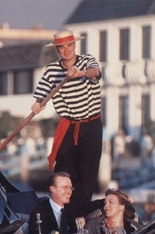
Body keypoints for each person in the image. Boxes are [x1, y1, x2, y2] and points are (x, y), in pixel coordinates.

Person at [31, 30, 103, 220]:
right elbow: (42, 94)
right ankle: (61, 215)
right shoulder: (52, 70)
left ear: (74, 45)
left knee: (87, 176)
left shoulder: (87, 61)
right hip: (68, 127)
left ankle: (76, 216)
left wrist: (82, 73)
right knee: (63, 174)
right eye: (61, 47)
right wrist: (38, 103)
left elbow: (96, 72)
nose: (66, 50)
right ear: (57, 49)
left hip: (91, 126)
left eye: (69, 45)